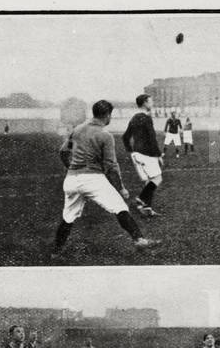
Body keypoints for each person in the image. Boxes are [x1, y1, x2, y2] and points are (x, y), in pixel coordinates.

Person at [53, 99, 160, 256]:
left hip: (71, 180)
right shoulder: (105, 135)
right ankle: (139, 240)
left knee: (68, 217)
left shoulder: (78, 129)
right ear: (108, 115)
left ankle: (56, 252)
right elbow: (111, 167)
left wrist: (71, 168)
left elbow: (63, 152)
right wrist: (121, 188)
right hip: (92, 179)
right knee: (120, 207)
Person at [122, 94, 164, 217]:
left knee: (149, 181)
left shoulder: (134, 118)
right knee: (157, 179)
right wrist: (158, 155)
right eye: (151, 101)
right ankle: (141, 198)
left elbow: (125, 137)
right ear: (145, 103)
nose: (152, 103)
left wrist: (131, 151)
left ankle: (147, 208)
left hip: (136, 154)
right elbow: (152, 138)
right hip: (147, 154)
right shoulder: (146, 118)